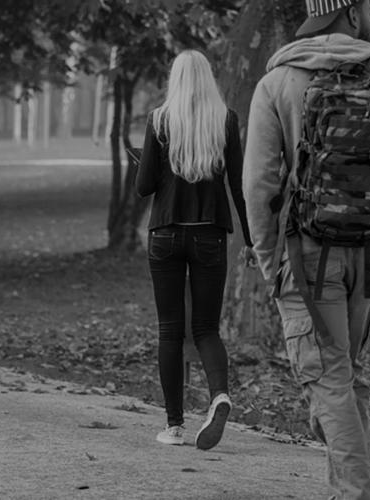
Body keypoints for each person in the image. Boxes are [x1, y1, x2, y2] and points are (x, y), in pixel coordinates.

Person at [243, 1, 370, 497]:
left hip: (304, 256)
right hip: (368, 259)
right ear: (351, 15)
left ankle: (357, 493)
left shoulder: (278, 83)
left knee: (327, 380)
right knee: (345, 378)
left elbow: (259, 187)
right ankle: (346, 486)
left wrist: (271, 264)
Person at [136, 51, 252, 450]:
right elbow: (238, 185)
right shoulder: (226, 120)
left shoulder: (159, 120)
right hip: (210, 236)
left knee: (170, 330)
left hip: (166, 234)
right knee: (205, 328)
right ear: (207, 79)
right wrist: (252, 241)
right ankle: (219, 395)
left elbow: (143, 186)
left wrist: (145, 159)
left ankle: (173, 426)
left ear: (176, 80)